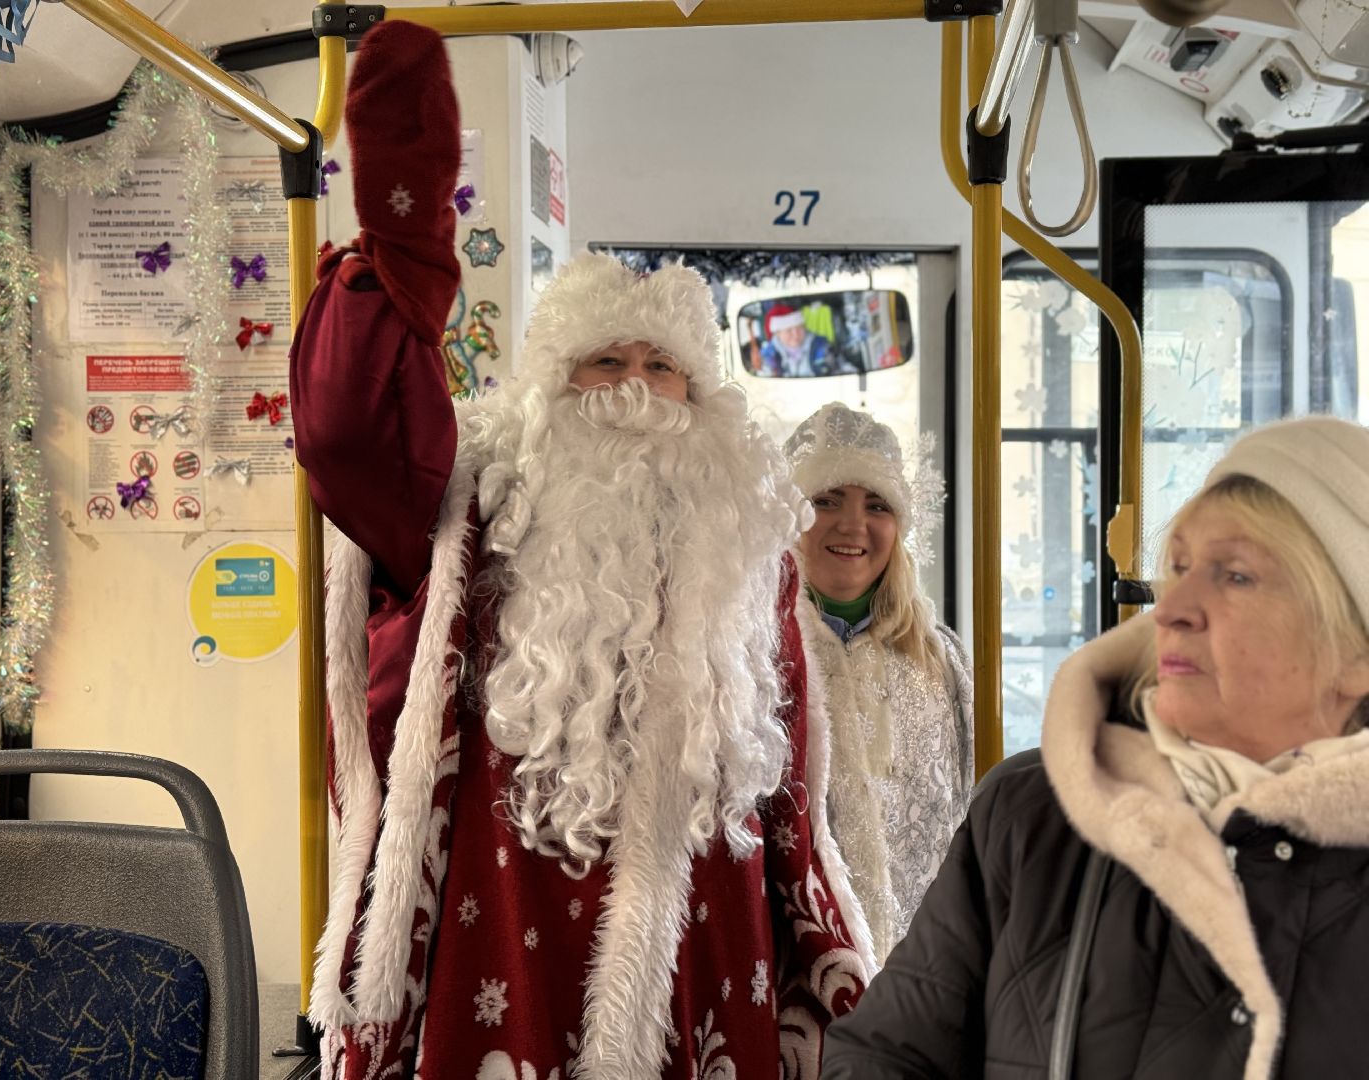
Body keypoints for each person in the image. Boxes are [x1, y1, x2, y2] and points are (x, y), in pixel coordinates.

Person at [290, 22, 871, 1080]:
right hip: (500, 943)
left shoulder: (752, 547)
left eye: (664, 366)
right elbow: (346, 434)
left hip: (715, 951)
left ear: (705, 400)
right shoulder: (469, 514)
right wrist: (404, 253)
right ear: (550, 391)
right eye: (605, 362)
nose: (637, 389)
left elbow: (793, 802)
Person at [822, 415, 1369, 1080]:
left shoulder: (941, 663)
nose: (1169, 609)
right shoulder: (1034, 813)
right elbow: (884, 1053)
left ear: (1356, 656)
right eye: (1181, 567)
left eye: (1236, 576)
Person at [785, 404, 973, 968]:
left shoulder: (942, 661)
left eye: (876, 505)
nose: (852, 524)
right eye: (826, 500)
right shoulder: (756, 653)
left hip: (924, 974)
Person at [762, 303, 836, 377]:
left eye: (799, 328)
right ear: (778, 334)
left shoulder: (823, 346)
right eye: (789, 330)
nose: (796, 335)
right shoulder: (769, 355)